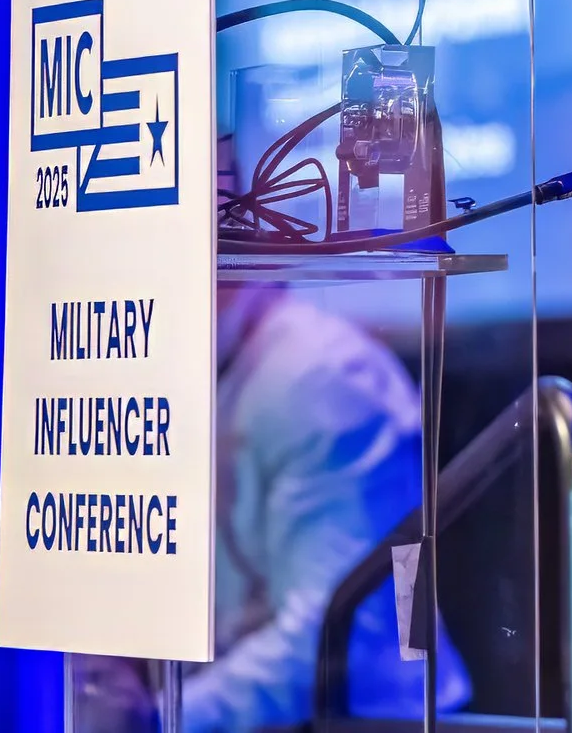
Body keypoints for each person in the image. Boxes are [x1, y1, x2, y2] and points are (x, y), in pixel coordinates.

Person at [78, 285, 468, 731]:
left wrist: (158, 722)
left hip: (369, 719)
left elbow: (339, 635)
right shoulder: (187, 369)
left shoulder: (324, 378)